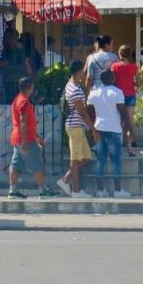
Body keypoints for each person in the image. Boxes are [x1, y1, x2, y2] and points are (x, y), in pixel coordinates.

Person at [6, 77, 50, 198]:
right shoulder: (24, 102)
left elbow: (27, 124)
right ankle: (43, 189)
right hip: (25, 139)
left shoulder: (17, 100)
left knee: (15, 165)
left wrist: (37, 137)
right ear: (30, 87)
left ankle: (13, 190)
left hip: (17, 138)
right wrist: (26, 141)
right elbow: (23, 122)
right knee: (36, 164)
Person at [88, 69, 126, 196]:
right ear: (112, 78)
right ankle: (118, 190)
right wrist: (129, 129)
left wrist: (92, 128)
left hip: (99, 128)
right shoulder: (117, 92)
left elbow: (90, 111)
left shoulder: (93, 93)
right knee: (115, 160)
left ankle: (100, 190)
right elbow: (123, 111)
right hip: (114, 129)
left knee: (101, 160)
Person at [61, 60, 94, 197]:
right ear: (79, 72)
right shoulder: (74, 89)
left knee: (86, 157)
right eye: (83, 72)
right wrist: (93, 129)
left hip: (76, 126)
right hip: (75, 126)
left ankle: (65, 180)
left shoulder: (72, 85)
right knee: (75, 159)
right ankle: (75, 190)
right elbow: (83, 112)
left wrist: (86, 88)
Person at [110, 45, 140, 148]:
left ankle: (120, 141)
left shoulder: (115, 66)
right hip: (130, 94)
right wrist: (132, 84)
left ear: (120, 53)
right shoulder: (134, 66)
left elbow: (112, 81)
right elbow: (138, 82)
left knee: (119, 119)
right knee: (129, 120)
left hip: (118, 95)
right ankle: (130, 142)